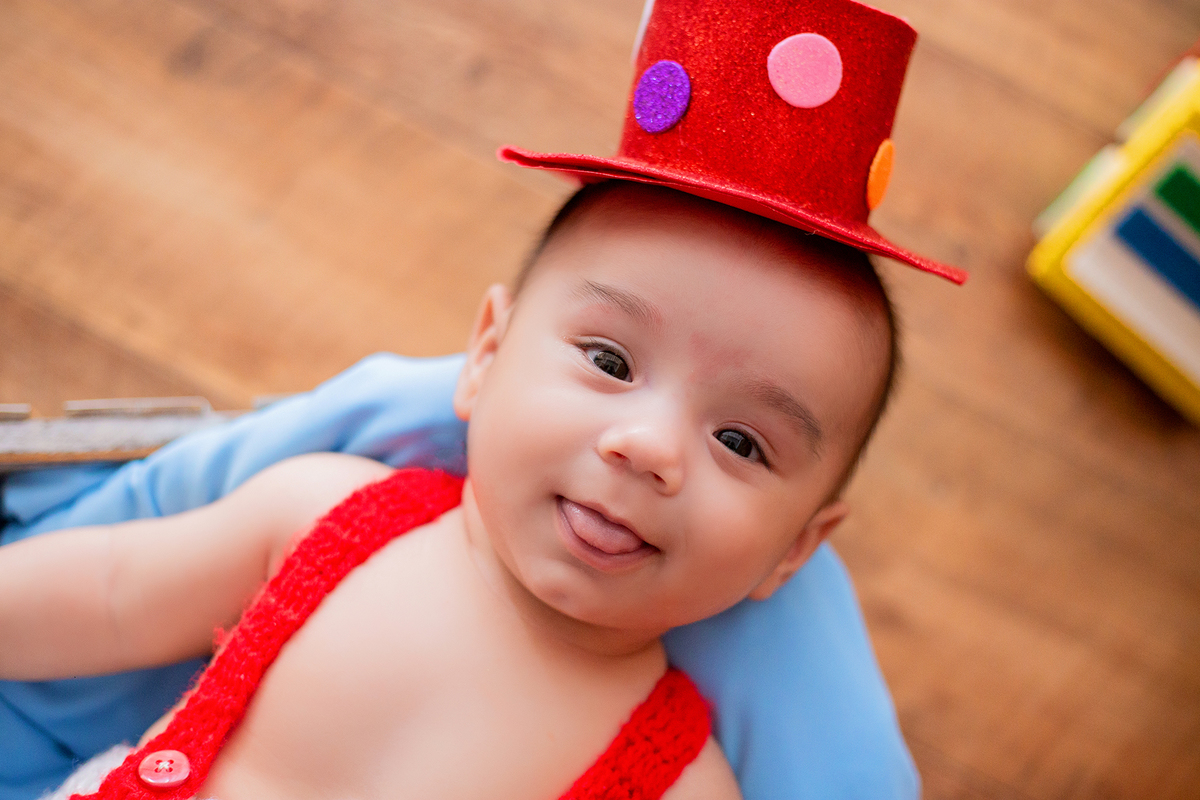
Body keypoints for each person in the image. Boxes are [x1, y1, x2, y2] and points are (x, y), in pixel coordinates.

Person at [0, 1, 966, 797]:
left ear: (795, 549)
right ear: (485, 357)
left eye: (742, 443)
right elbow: (114, 592)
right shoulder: (328, 514)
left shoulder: (678, 783)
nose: (649, 445)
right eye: (611, 361)